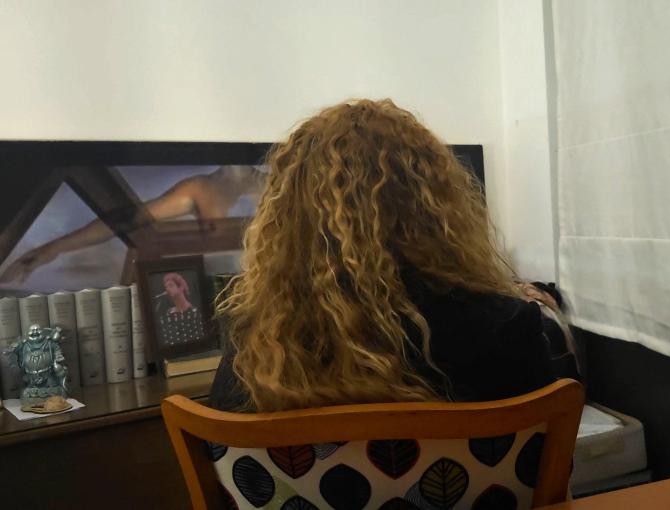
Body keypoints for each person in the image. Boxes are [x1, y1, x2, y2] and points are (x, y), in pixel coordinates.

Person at [210, 99, 576, 413]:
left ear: (287, 216)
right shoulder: (507, 328)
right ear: (434, 209)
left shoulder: (255, 345)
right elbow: (544, 460)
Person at [0, 165, 268, 284]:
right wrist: (49, 250)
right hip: (225, 300)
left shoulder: (277, 183)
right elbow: (122, 220)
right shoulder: (200, 188)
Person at [158, 272, 205, 346]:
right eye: (166, 287)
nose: (167, 289)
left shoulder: (195, 313)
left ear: (181, 287)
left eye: (170, 285)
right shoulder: (167, 315)